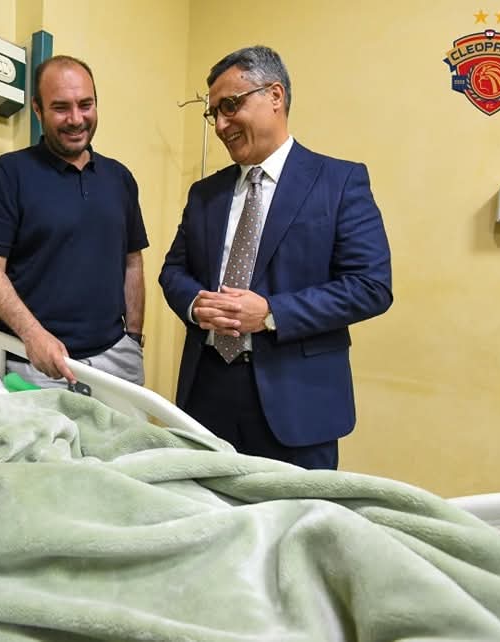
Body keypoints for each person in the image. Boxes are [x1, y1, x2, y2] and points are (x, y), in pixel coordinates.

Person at [159, 45, 393, 470]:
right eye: (214, 113)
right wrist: (195, 304)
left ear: (275, 95)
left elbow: (370, 286)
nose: (221, 125)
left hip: (298, 403)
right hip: (206, 392)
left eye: (230, 106)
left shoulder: (339, 182)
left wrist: (270, 313)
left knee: (293, 513)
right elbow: (173, 271)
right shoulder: (205, 193)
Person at [0, 55, 149, 389]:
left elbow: (132, 261)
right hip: (38, 362)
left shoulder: (119, 178)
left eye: (85, 105)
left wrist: (133, 338)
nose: (76, 119)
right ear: (38, 110)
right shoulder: (11, 173)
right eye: (61, 108)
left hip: (117, 359)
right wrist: (33, 335)